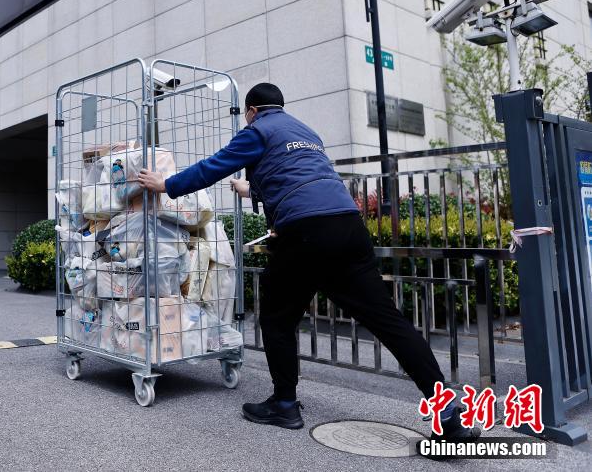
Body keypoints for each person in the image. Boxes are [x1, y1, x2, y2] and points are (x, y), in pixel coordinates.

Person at [137, 83, 478, 446]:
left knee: (276, 315)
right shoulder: (306, 133)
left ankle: (284, 404)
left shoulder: (258, 130)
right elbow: (300, 179)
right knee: (389, 322)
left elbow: (214, 166)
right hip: (348, 225)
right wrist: (251, 191)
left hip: (307, 232)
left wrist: (166, 184)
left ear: (252, 110)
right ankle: (447, 413)